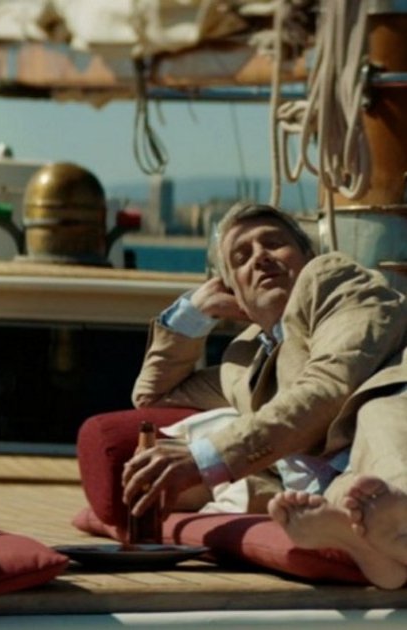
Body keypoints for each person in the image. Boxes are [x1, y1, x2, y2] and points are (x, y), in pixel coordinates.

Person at [122, 201, 407, 589]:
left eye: (274, 243)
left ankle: (392, 525)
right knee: (350, 495)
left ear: (309, 256)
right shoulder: (241, 360)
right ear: (233, 291)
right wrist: (193, 311)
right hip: (354, 478)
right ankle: (375, 549)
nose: (260, 258)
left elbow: (329, 386)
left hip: (394, 427)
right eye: (241, 258)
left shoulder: (335, 281)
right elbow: (154, 397)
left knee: (377, 412)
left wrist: (207, 458)